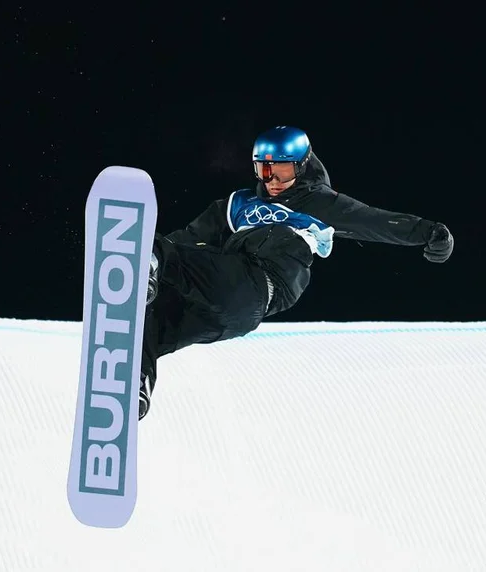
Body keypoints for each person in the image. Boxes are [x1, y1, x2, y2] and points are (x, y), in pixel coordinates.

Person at [138, 125, 454, 420]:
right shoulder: (236, 206)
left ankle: (147, 264)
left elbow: (374, 221)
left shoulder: (319, 204)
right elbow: (184, 242)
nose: (273, 180)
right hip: (229, 311)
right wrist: (159, 257)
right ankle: (135, 382)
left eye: (283, 171)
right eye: (264, 170)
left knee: (162, 254)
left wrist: (429, 232)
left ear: (302, 167)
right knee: (154, 321)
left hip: (257, 283)